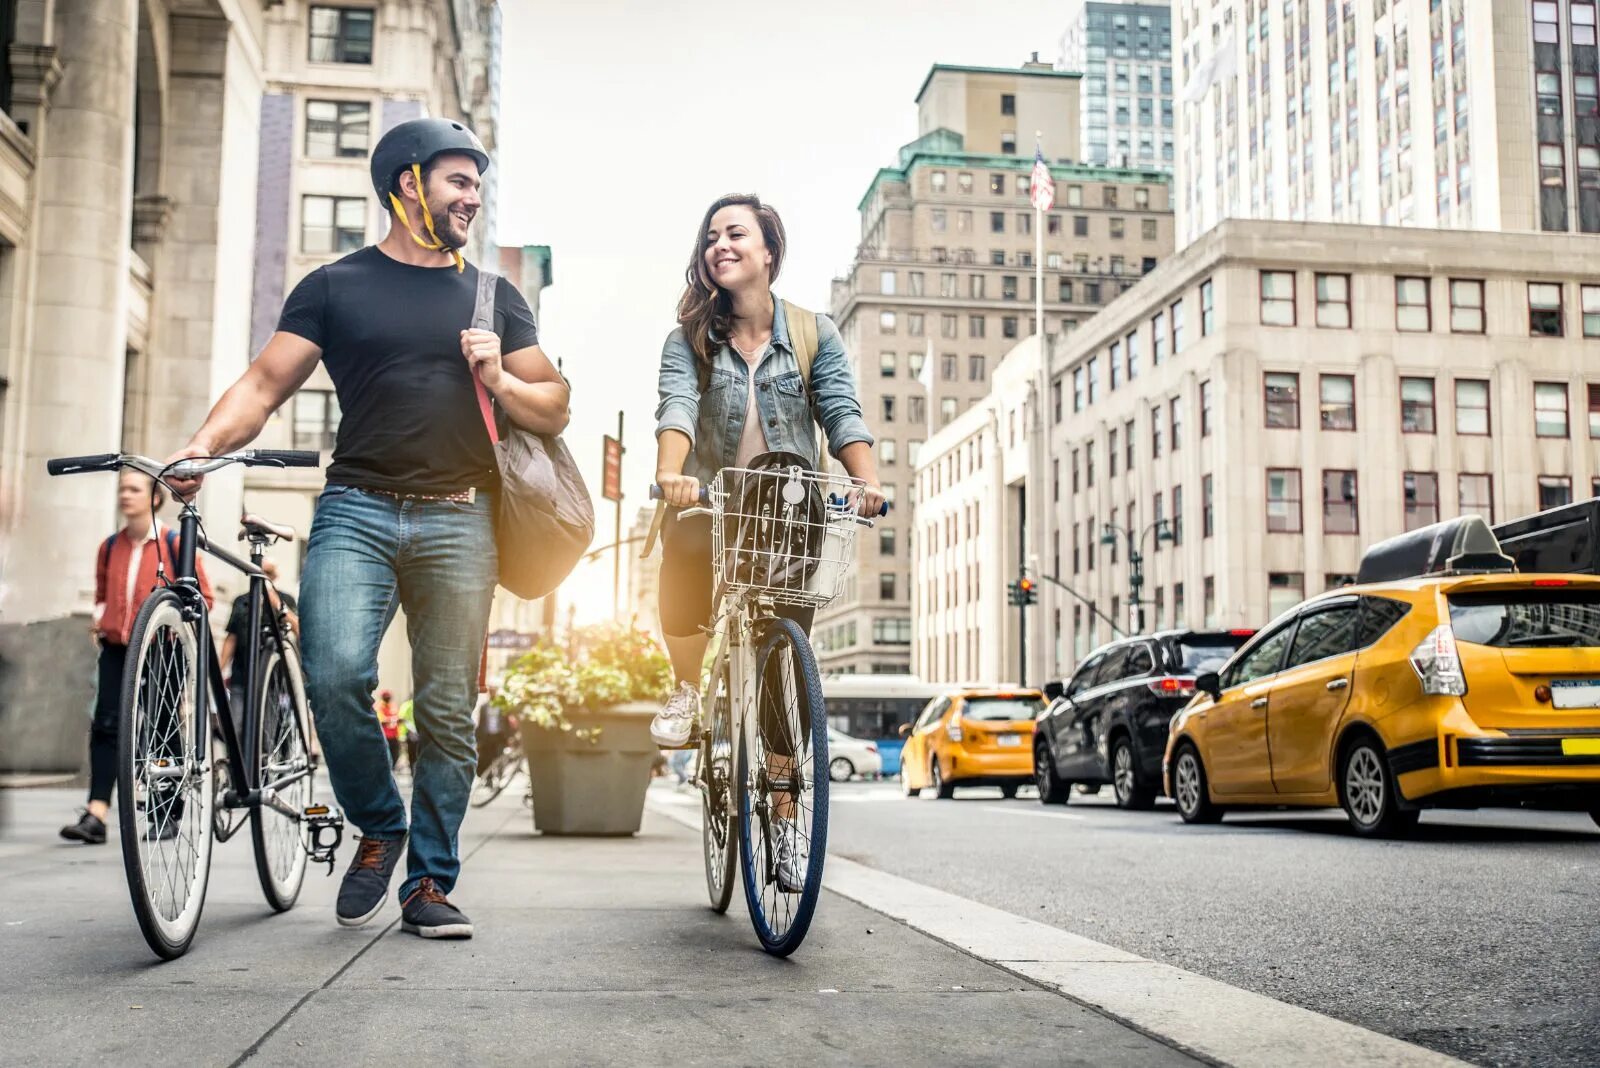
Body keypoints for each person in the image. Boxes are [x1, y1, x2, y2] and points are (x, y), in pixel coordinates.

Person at [163, 118, 569, 940]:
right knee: (335, 671)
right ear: (407, 184)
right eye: (457, 181)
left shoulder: (495, 297)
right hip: (355, 508)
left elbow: (555, 404)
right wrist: (204, 445)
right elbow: (264, 384)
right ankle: (380, 824)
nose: (472, 197)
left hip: (464, 518)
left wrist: (496, 373)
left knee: (450, 711)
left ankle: (428, 883)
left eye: (476, 185)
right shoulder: (334, 287)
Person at [651, 194, 882, 889]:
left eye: (736, 233)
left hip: (787, 510)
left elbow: (841, 411)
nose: (721, 243)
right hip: (713, 504)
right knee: (684, 549)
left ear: (768, 253)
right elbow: (677, 408)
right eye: (711, 235)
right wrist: (671, 473)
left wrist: (865, 481)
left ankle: (783, 824)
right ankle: (688, 690)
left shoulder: (813, 333)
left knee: (785, 683)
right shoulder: (688, 337)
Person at [60, 471, 214, 844]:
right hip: (116, 649)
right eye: (122, 489)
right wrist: (102, 619)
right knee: (106, 724)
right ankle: (96, 813)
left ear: (154, 498)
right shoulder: (110, 546)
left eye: (134, 489)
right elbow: (101, 592)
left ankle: (165, 813)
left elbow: (203, 597)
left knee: (161, 725)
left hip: (162, 648)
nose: (125, 495)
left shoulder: (174, 544)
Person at [219, 558, 298, 729]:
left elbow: (298, 629)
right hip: (242, 676)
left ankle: (263, 755)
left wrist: (277, 604)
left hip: (273, 679)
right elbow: (231, 637)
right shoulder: (241, 601)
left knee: (267, 727)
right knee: (235, 724)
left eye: (268, 573)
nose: (263, 577)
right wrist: (220, 669)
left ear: (274, 576)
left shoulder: (285, 600)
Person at [375, 690, 401, 769]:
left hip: (394, 736)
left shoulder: (392, 706)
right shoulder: (379, 707)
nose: (388, 698)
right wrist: (391, 720)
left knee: (395, 755)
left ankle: (392, 769)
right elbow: (380, 720)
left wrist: (398, 720)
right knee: (386, 756)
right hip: (385, 736)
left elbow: (397, 717)